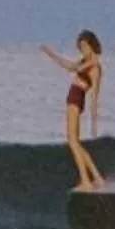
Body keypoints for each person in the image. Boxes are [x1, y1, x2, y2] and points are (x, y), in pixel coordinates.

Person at [39, 29, 106, 192]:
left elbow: (94, 97)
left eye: (85, 46)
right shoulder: (85, 61)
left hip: (76, 100)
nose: (83, 50)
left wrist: (94, 123)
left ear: (92, 45)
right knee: (75, 141)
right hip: (73, 100)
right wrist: (51, 54)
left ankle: (86, 181)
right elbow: (69, 66)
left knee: (72, 141)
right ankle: (97, 178)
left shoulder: (95, 67)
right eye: (81, 47)